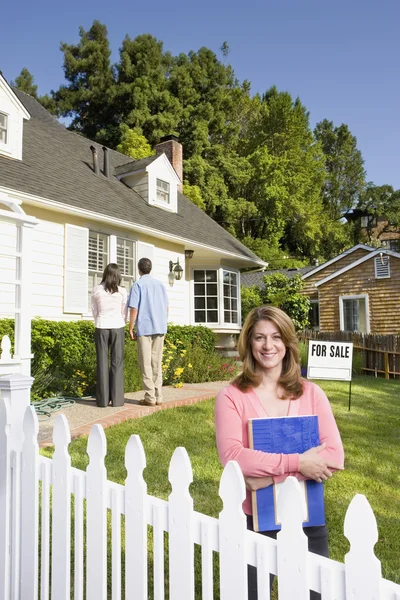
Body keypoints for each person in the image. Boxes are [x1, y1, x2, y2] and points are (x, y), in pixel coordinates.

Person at [215, 306, 344, 600]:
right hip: (254, 521)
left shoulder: (311, 393)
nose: (268, 346)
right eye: (259, 337)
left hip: (307, 518)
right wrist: (300, 463)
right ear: (248, 343)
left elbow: (334, 455)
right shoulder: (232, 396)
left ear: (287, 343)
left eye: (275, 337)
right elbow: (233, 457)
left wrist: (269, 478)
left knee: (313, 594)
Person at [128, 257, 169, 406]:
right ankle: (159, 396)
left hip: (145, 329)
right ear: (150, 268)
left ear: (139, 268)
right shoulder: (160, 285)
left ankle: (150, 397)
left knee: (145, 363)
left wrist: (131, 327)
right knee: (156, 363)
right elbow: (166, 307)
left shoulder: (138, 285)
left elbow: (134, 308)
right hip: (159, 327)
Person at [91, 263, 128, 407]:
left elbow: (94, 310)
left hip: (101, 326)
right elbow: (123, 312)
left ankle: (102, 400)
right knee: (117, 363)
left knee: (102, 362)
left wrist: (99, 320)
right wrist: (120, 321)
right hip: (117, 326)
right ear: (118, 275)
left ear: (105, 274)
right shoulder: (123, 292)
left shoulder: (97, 290)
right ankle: (117, 400)